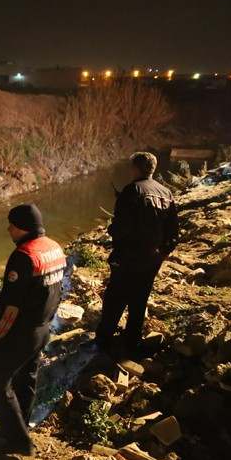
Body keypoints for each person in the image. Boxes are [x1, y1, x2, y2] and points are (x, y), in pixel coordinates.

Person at [0, 204, 66, 456]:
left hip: (21, 331)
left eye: (11, 223)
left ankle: (20, 442)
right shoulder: (54, 247)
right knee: (26, 379)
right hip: (43, 327)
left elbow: (11, 306)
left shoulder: (24, 255)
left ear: (22, 227)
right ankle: (18, 429)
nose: (8, 228)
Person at [92, 152, 178, 354]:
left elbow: (121, 227)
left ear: (135, 169)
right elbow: (173, 230)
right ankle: (132, 339)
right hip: (152, 259)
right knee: (140, 298)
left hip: (128, 257)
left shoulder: (132, 191)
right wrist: (164, 253)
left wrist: (112, 230)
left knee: (115, 297)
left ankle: (104, 339)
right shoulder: (166, 193)